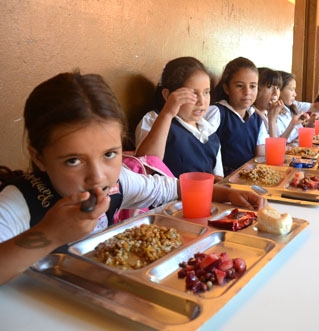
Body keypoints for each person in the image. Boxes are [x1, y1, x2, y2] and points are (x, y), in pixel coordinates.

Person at [0, 71, 267, 285]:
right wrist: (50, 233)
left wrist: (228, 194)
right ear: (38, 158)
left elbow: (171, 188)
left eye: (109, 154)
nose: (97, 176)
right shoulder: (18, 203)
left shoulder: (120, 183)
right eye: (73, 160)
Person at [135, 57, 224, 181]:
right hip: (168, 198)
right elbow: (147, 164)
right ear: (167, 95)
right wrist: (167, 113)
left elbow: (217, 177)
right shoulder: (154, 120)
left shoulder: (209, 131)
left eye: (206, 92)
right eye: (193, 93)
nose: (201, 101)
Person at [205, 57, 268, 176]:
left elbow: (260, 156)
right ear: (226, 88)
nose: (247, 92)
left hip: (248, 177)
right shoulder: (217, 112)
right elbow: (204, 151)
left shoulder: (257, 119)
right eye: (239, 86)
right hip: (221, 179)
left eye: (253, 86)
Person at [252, 67, 284, 135]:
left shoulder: (267, 112)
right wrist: (272, 120)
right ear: (256, 90)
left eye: (278, 88)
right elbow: (273, 145)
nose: (275, 92)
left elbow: (279, 140)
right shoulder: (252, 116)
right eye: (269, 87)